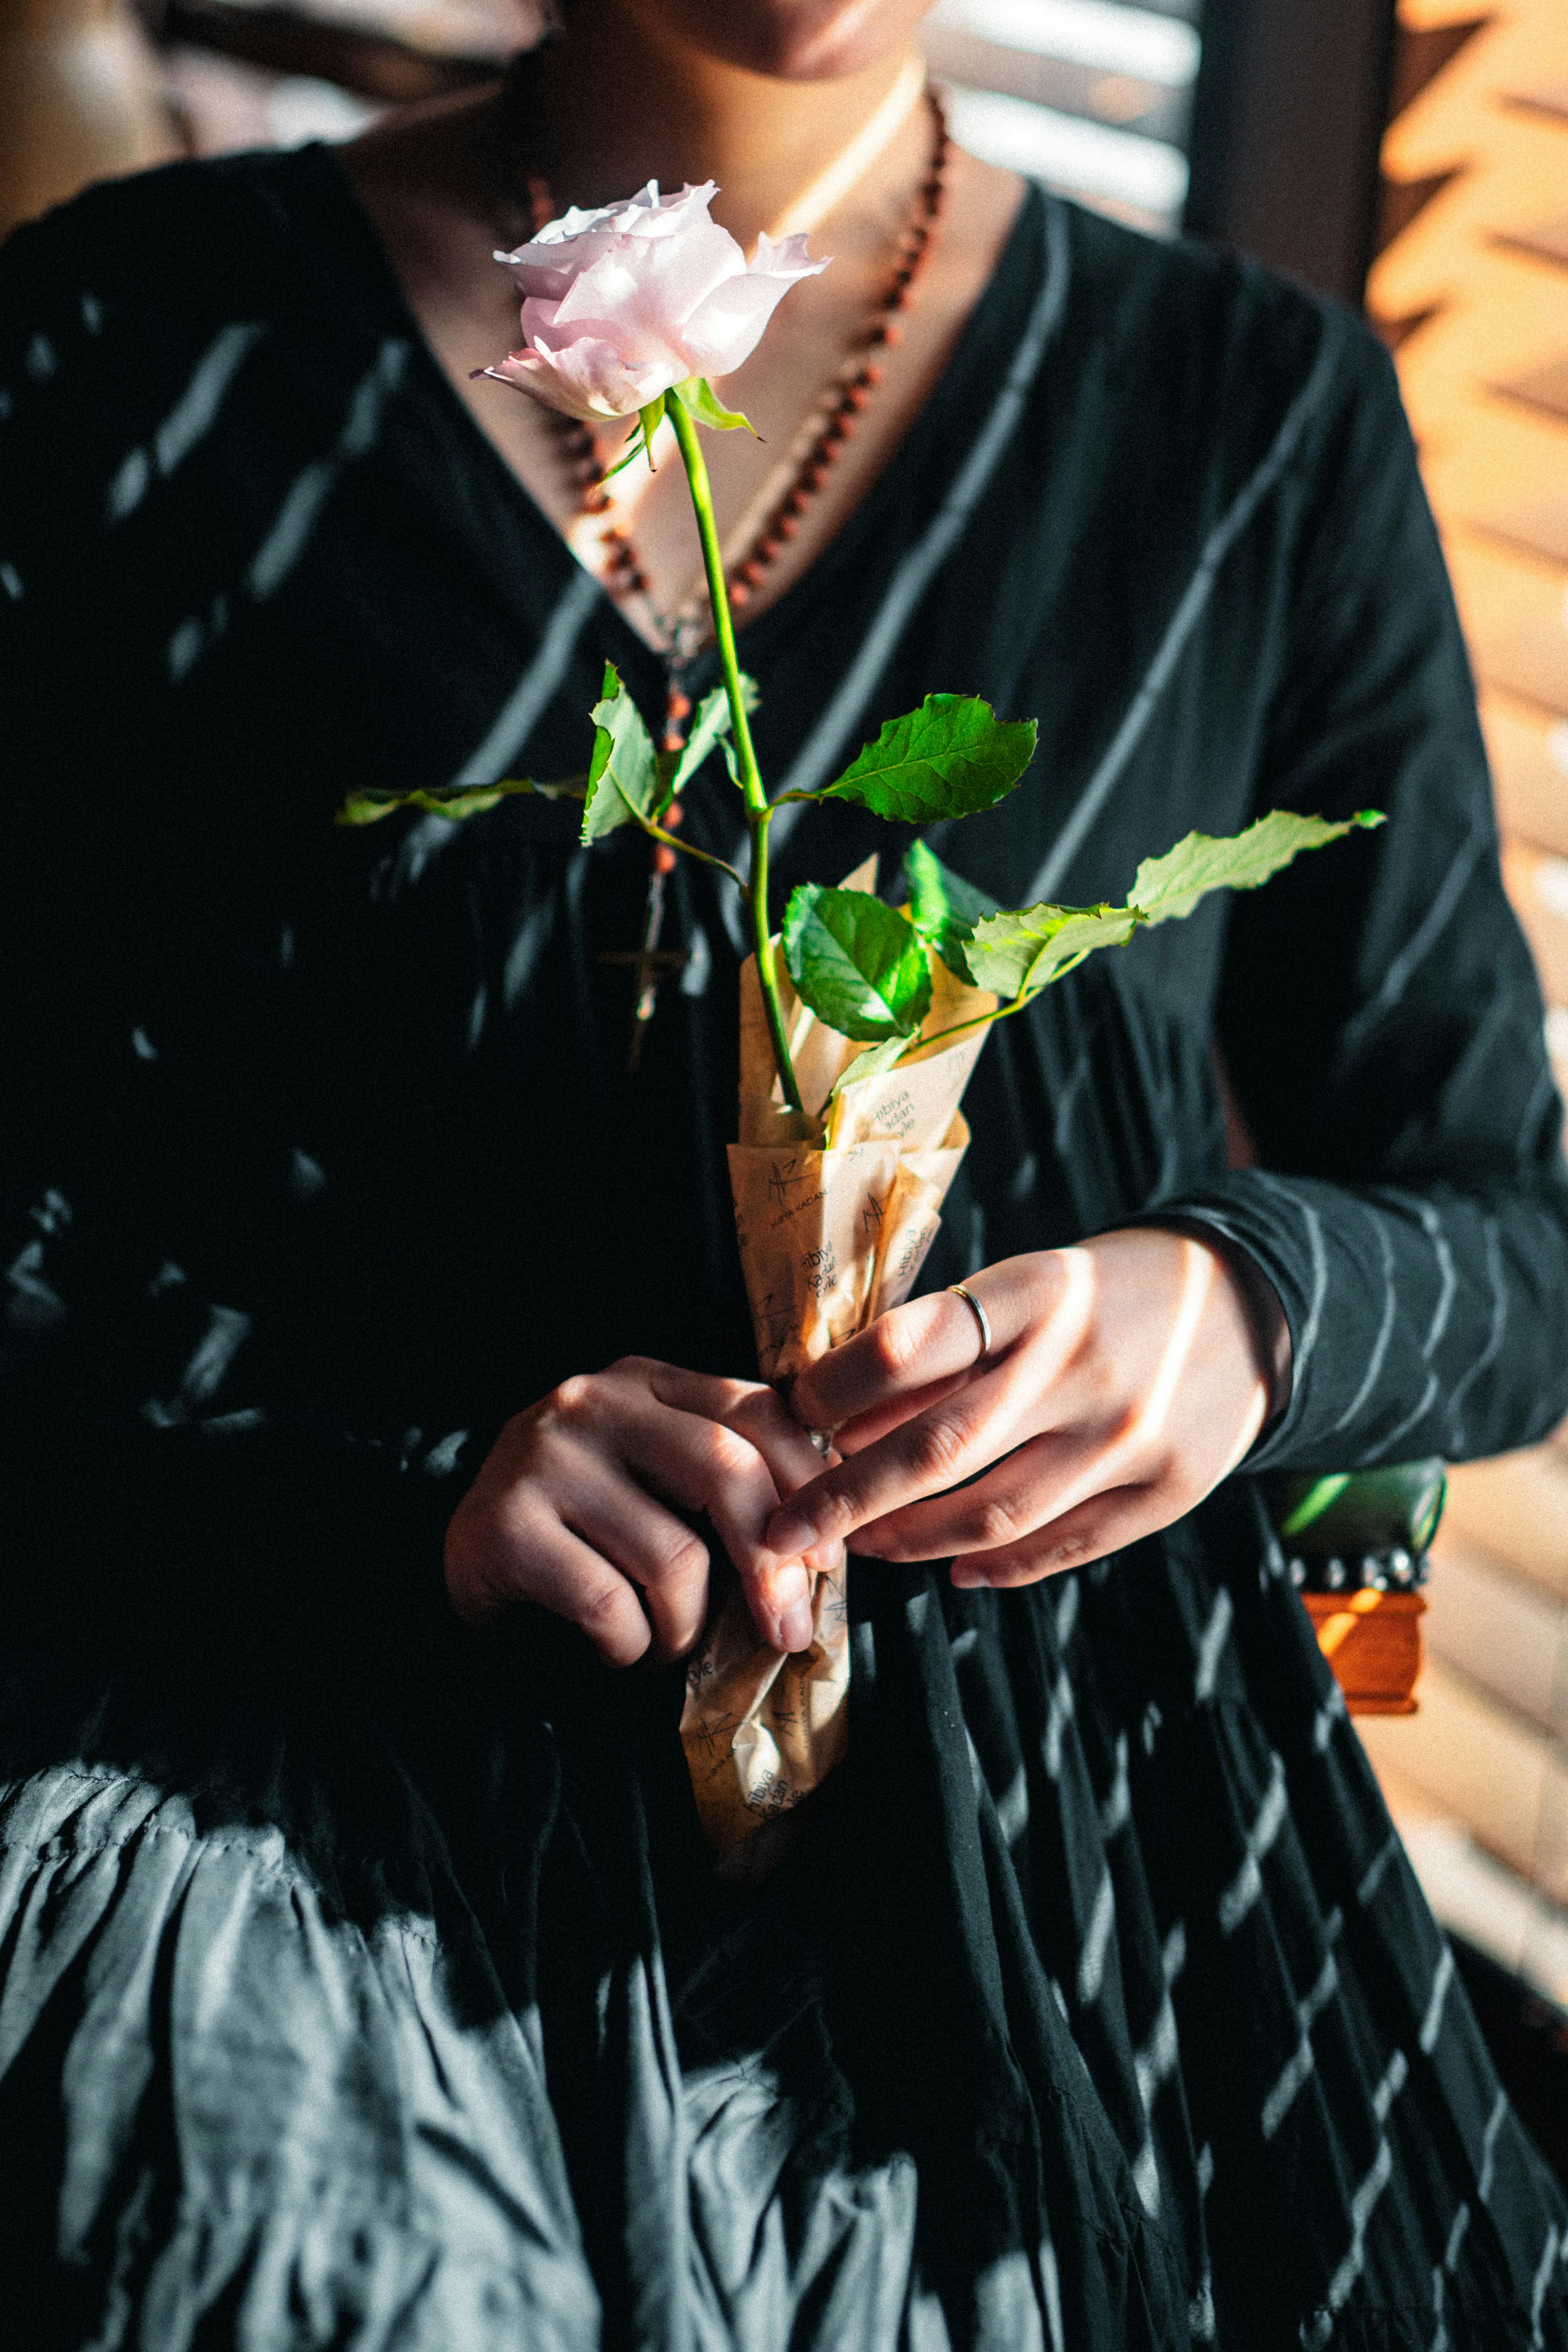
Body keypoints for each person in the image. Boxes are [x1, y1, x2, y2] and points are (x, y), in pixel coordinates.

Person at [2, 0, 1567, 2343]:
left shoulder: (1250, 419)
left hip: (1071, 1857)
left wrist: (1239, 1308)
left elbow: (1506, 1240)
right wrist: (398, 1484)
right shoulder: (133, 342)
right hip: (298, 1777)